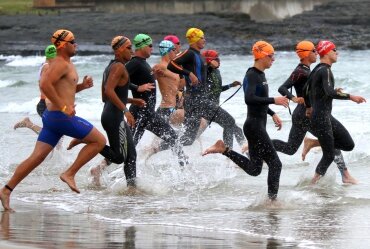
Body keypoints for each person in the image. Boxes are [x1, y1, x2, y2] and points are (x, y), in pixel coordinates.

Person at [0, 29, 107, 211]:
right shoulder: (59, 64)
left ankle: (6, 190)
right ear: (64, 45)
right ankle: (69, 173)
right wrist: (64, 107)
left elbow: (64, 90)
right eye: (73, 42)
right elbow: (44, 85)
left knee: (36, 158)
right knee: (99, 141)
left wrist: (82, 86)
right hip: (59, 117)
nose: (76, 44)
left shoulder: (67, 63)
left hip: (53, 118)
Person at [203, 41, 289, 200]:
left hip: (257, 125)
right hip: (254, 127)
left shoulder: (261, 74)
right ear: (262, 56)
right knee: (276, 164)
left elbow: (259, 99)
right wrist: (273, 100)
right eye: (271, 56)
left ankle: (224, 150)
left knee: (255, 169)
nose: (273, 59)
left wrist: (271, 113)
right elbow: (249, 99)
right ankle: (272, 202)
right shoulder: (252, 74)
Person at [271, 41, 357, 184]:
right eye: (313, 51)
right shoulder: (301, 71)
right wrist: (294, 98)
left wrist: (333, 92)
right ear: (306, 53)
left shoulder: (310, 70)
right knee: (332, 141)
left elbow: (316, 91)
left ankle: (258, 143)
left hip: (304, 113)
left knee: (291, 148)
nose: (316, 53)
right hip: (309, 113)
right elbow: (283, 87)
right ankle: (344, 174)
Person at [82, 36, 145, 187]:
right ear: (118, 50)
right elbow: (109, 91)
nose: (132, 50)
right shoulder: (119, 67)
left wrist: (131, 101)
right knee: (120, 157)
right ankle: (89, 140)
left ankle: (132, 188)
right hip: (114, 116)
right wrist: (126, 111)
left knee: (129, 155)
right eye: (128, 47)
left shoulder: (110, 67)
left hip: (111, 114)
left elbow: (105, 96)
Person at [303, 40, 366, 184]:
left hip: (324, 116)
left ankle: (314, 143)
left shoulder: (317, 69)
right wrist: (351, 97)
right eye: (334, 50)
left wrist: (308, 107)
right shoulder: (325, 70)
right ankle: (312, 184)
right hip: (321, 117)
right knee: (329, 154)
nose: (337, 53)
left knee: (348, 144)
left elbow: (305, 90)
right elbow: (329, 92)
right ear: (325, 52)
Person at [167, 28, 237, 149]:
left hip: (195, 101)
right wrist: (188, 73)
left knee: (188, 139)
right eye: (202, 37)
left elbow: (201, 73)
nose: (204, 40)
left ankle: (158, 147)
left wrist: (209, 65)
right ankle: (230, 157)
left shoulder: (199, 56)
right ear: (195, 39)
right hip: (197, 100)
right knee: (229, 122)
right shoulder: (189, 53)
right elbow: (171, 64)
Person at [126, 34, 187, 165]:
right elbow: (118, 81)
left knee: (130, 148)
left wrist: (154, 76)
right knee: (128, 149)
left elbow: (146, 81)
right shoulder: (135, 63)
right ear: (142, 46)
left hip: (147, 112)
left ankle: (185, 169)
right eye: (150, 46)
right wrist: (137, 88)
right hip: (141, 112)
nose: (152, 49)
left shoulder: (144, 64)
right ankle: (186, 169)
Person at [201, 49, 247, 149]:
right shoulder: (205, 72)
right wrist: (207, 64)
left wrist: (231, 85)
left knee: (236, 129)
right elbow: (202, 69)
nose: (219, 60)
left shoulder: (216, 71)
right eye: (217, 59)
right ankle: (229, 154)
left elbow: (217, 89)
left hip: (214, 107)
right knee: (229, 123)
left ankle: (246, 152)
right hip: (207, 107)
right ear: (210, 60)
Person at [13, 45, 57, 134]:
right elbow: (44, 85)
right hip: (46, 104)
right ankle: (28, 124)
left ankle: (28, 124)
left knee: (55, 134)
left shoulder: (45, 66)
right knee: (53, 134)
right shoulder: (47, 67)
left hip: (45, 103)